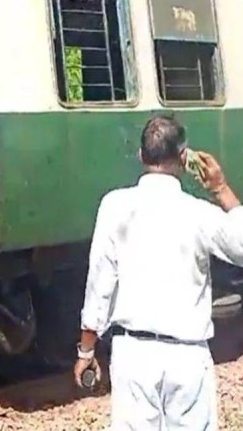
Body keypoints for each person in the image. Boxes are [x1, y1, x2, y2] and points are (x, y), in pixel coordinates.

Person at [73, 114, 243, 430]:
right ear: (183, 157)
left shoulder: (114, 206)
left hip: (133, 354)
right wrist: (220, 189)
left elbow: (99, 282)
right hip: (187, 356)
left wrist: (86, 349)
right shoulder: (198, 213)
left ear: (141, 156)